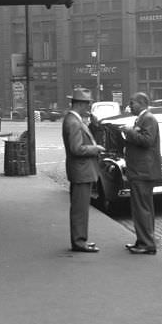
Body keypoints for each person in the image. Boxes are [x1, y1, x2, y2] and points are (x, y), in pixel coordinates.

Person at [62, 88, 104, 253]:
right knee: (80, 210)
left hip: (82, 171)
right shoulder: (73, 121)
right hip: (81, 172)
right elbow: (76, 149)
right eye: (87, 104)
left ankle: (81, 239)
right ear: (79, 104)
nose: (88, 107)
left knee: (81, 208)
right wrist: (95, 149)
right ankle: (79, 242)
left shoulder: (75, 120)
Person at [120, 93, 161, 255]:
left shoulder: (148, 119)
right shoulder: (143, 118)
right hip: (141, 171)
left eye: (133, 103)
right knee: (142, 208)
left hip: (142, 172)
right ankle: (143, 240)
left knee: (142, 209)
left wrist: (129, 132)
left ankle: (146, 243)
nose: (130, 106)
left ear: (143, 103)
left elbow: (147, 141)